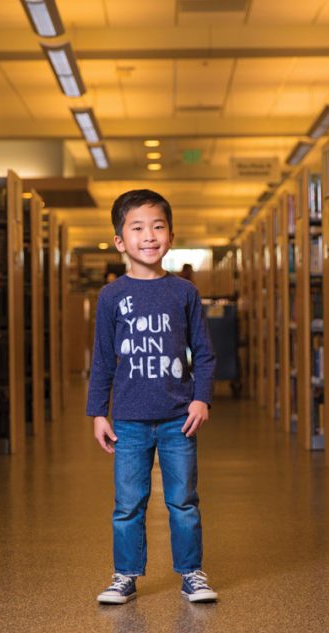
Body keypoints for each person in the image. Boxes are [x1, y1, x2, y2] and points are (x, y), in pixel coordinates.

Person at [86, 188, 217, 605]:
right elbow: (103, 359)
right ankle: (125, 574)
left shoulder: (184, 293)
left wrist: (201, 398)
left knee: (183, 500)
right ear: (121, 241)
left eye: (158, 226)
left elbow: (205, 352)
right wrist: (97, 412)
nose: (149, 236)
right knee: (127, 503)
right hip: (127, 419)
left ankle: (192, 573)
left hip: (179, 418)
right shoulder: (111, 296)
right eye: (137, 227)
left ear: (171, 236)